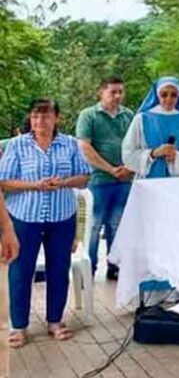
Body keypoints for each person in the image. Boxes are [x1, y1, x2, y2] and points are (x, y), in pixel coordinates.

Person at [0, 99, 91, 348]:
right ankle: (19, 327)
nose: (40, 121)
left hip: (62, 217)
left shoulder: (70, 144)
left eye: (46, 116)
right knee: (21, 271)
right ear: (30, 119)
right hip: (24, 218)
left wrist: (62, 182)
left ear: (56, 118)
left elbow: (84, 178)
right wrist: (35, 185)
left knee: (59, 269)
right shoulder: (17, 145)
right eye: (35, 116)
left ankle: (55, 321)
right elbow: (4, 182)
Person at [76, 77, 134, 280]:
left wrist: (128, 168)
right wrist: (110, 169)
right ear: (102, 92)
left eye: (120, 92)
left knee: (117, 224)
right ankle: (87, 270)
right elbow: (84, 146)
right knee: (94, 225)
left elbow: (135, 145)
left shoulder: (128, 115)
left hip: (124, 180)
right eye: (113, 92)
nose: (118, 96)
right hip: (99, 179)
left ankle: (114, 265)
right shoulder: (89, 115)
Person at [122, 77, 179, 178]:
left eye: (173, 95)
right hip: (148, 182)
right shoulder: (142, 118)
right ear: (157, 95)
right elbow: (128, 153)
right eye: (164, 94)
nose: (169, 99)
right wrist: (153, 153)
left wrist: (176, 157)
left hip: (178, 181)